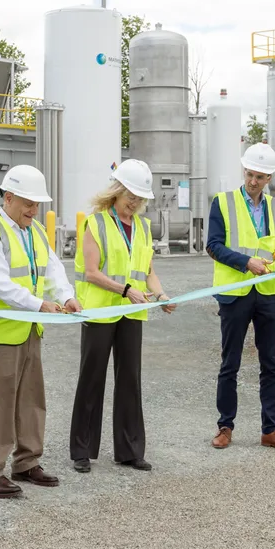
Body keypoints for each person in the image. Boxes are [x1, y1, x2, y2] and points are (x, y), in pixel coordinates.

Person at [0, 164, 81, 499]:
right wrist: (39, 305)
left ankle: (27, 462)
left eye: (37, 204)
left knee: (32, 400)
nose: (34, 210)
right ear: (9, 197)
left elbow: (53, 268)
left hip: (30, 331)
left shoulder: (34, 233)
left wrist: (67, 296)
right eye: (28, 203)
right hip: (1, 333)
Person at [69, 159, 175, 474]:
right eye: (130, 196)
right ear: (117, 190)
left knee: (130, 379)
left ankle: (129, 451)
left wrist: (161, 295)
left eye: (140, 199)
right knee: (92, 378)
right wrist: (125, 290)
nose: (134, 203)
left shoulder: (142, 227)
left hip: (132, 312)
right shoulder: (95, 223)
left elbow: (148, 270)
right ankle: (82, 451)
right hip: (102, 310)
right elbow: (90, 272)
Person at [206, 142, 275, 453]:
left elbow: (274, 247)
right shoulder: (223, 202)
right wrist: (245, 262)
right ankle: (225, 426)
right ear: (243, 171)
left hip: (268, 294)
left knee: (270, 363)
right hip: (235, 293)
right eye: (249, 174)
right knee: (229, 363)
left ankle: (270, 429)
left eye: (259, 177)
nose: (252, 181)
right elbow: (213, 246)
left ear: (269, 178)